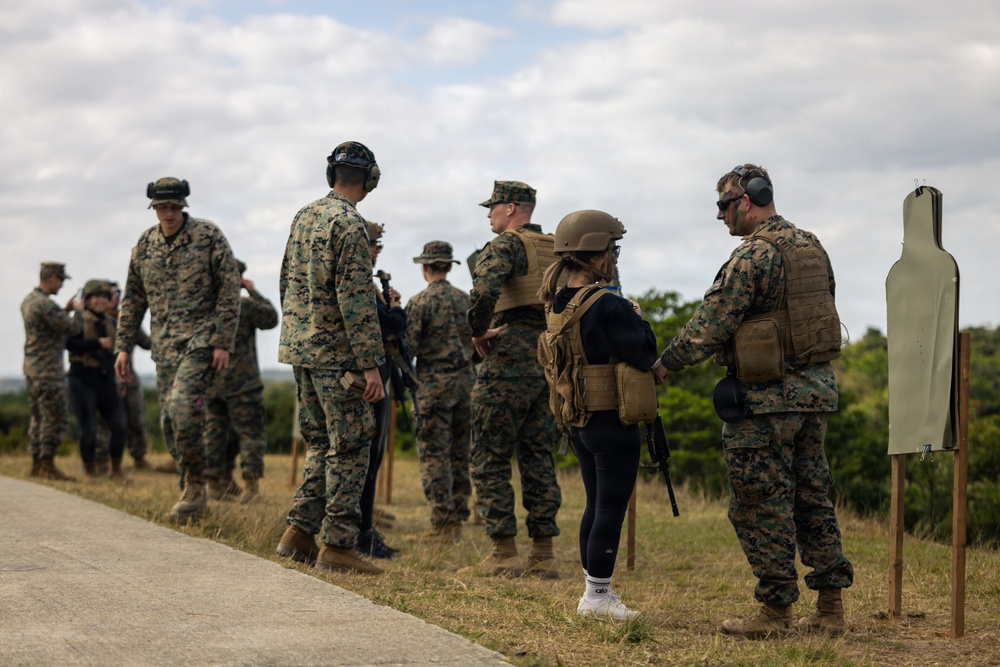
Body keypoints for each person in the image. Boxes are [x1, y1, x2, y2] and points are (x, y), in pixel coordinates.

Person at [652, 164, 853, 638]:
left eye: (723, 205)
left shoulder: (753, 257)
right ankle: (829, 610)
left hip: (765, 402)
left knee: (760, 503)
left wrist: (665, 365)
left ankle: (776, 612)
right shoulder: (811, 247)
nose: (719, 216)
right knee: (812, 499)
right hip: (814, 396)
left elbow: (711, 323)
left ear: (747, 200)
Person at [274, 141, 386, 575]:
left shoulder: (305, 215)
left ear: (331, 175)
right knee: (353, 443)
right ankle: (337, 546)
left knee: (320, 443)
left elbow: (286, 277)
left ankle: (299, 533)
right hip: (338, 357)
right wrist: (371, 365)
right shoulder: (350, 224)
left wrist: (297, 335)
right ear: (370, 179)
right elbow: (356, 300)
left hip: (301, 348)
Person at [538, 210, 656, 621]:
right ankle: (597, 598)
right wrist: (639, 321)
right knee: (610, 508)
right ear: (599, 256)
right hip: (612, 420)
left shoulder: (557, 299)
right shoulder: (608, 304)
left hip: (580, 420)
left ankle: (594, 591)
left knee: (595, 504)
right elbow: (643, 353)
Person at [115, 177, 241, 521]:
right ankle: (190, 485)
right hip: (164, 346)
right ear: (154, 208)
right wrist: (123, 347)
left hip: (201, 340)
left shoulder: (208, 236)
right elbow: (133, 300)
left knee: (184, 407)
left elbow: (229, 292)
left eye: (174, 207)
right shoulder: (145, 245)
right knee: (170, 419)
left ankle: (196, 486)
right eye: (161, 207)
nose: (168, 213)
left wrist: (222, 342)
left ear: (184, 206)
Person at [468, 180, 562, 578]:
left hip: (509, 353)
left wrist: (476, 330)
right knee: (538, 454)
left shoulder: (505, 245)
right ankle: (543, 554)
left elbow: (483, 290)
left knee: (489, 452)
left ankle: (503, 551)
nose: (488, 214)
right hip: (551, 356)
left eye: (492, 207)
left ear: (510, 209)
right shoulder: (559, 247)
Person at [405, 241, 475, 543]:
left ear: (425, 267)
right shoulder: (465, 301)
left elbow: (410, 348)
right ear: (448, 266)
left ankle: (443, 523)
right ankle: (458, 517)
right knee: (461, 453)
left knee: (435, 454)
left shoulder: (419, 303)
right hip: (466, 385)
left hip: (433, 387)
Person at [203, 259, 279, 504]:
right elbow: (271, 317)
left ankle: (215, 482)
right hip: (243, 384)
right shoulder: (243, 306)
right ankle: (251, 487)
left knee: (215, 433)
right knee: (251, 434)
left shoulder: (205, 307)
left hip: (212, 382)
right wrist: (252, 289)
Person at [353, 222, 403, 560]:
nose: (376, 252)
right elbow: (392, 325)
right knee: (367, 459)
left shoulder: (366, 283)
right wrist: (395, 309)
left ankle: (362, 528)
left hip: (368, 376)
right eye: (373, 246)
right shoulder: (359, 282)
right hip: (367, 379)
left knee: (370, 458)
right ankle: (361, 532)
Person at [21, 261, 82, 480]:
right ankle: (47, 464)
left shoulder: (30, 301)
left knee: (38, 417)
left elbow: (49, 326)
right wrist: (78, 312)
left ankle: (37, 463)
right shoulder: (45, 305)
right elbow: (72, 328)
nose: (62, 286)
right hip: (48, 370)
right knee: (54, 417)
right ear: (52, 278)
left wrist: (64, 311)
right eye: (61, 280)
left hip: (33, 368)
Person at [66, 280, 129, 481]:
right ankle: (90, 471)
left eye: (104, 297)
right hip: (82, 379)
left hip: (106, 380)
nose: (101, 301)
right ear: (87, 299)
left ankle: (116, 470)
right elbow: (69, 343)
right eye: (96, 297)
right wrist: (96, 343)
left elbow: (114, 352)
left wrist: (119, 376)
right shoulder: (78, 320)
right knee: (89, 428)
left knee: (119, 425)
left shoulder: (111, 323)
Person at [94, 281, 152, 472]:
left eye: (118, 294)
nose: (115, 298)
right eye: (111, 294)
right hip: (104, 376)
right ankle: (101, 460)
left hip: (128, 376)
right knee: (103, 420)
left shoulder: (127, 319)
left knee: (135, 417)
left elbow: (146, 343)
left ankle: (139, 457)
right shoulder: (95, 320)